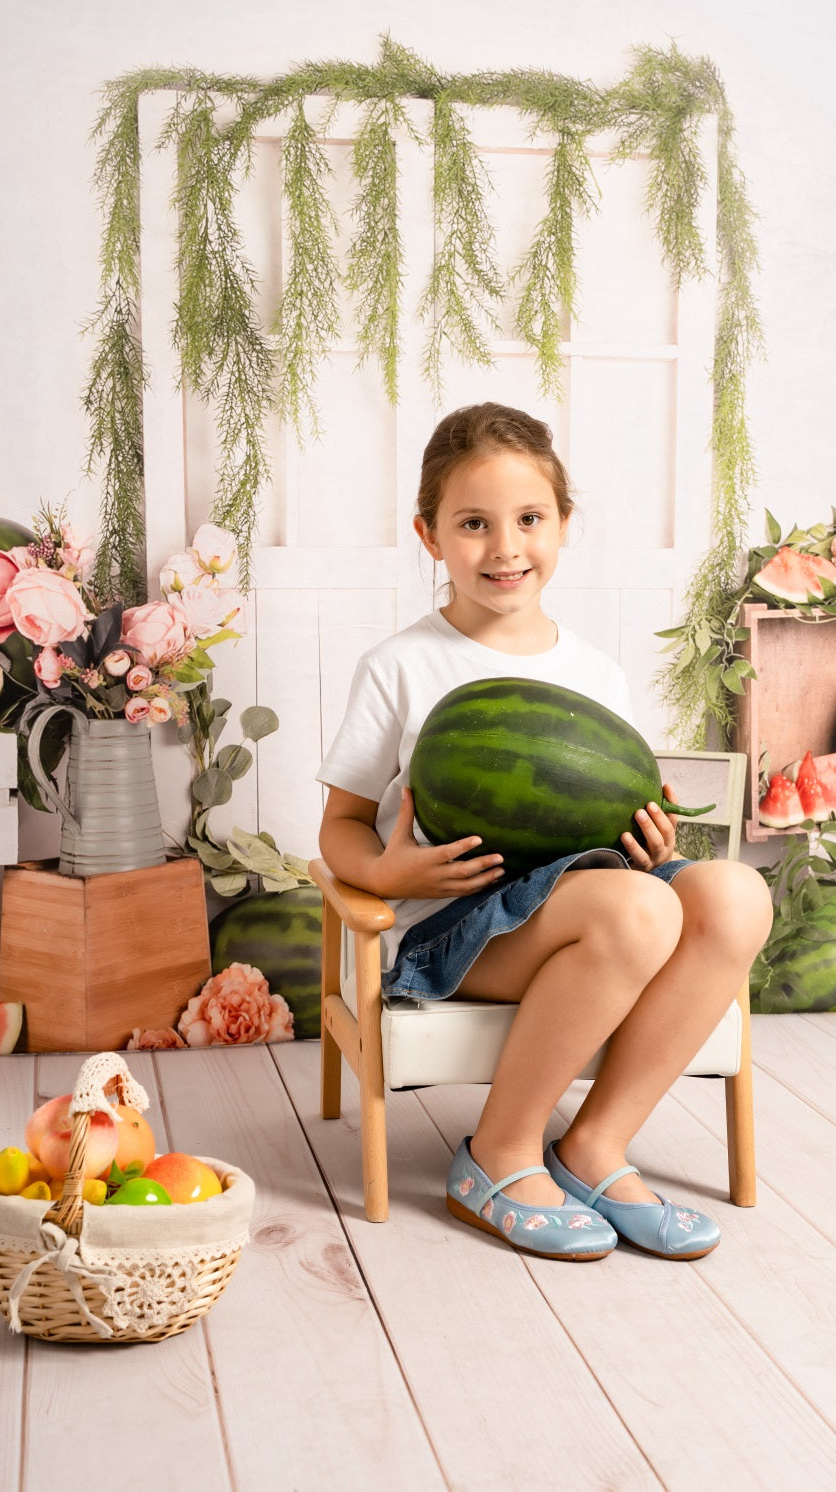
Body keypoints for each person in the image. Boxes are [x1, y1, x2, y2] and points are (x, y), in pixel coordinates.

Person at [316, 402, 772, 1261]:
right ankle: (498, 1155)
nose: (505, 547)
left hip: (587, 899)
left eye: (530, 520)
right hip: (458, 932)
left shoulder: (592, 672)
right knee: (635, 913)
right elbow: (337, 830)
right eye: (474, 525)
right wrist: (392, 873)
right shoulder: (399, 667)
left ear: (564, 525)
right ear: (430, 536)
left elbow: (609, 816)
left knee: (735, 894)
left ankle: (594, 1147)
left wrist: (652, 847)